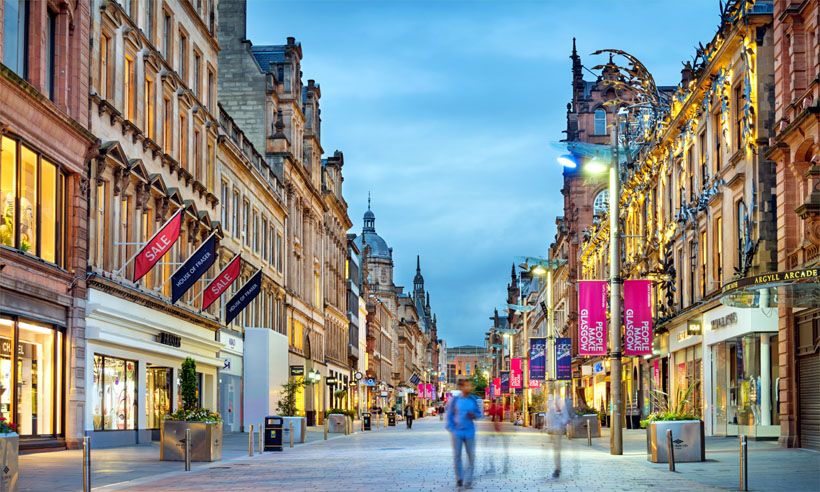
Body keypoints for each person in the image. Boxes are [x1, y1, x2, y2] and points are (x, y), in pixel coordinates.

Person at [446, 379, 483, 489]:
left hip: (470, 432)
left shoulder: (473, 399)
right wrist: (452, 428)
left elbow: (479, 414)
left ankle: (468, 480)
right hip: (457, 432)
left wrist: (474, 415)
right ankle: (460, 479)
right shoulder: (455, 400)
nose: (468, 388)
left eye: (469, 386)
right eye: (466, 386)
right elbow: (449, 416)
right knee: (457, 456)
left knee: (471, 456)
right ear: (461, 387)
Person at [546, 395, 572, 479]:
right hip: (554, 432)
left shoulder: (562, 409)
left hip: (558, 432)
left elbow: (565, 420)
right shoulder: (552, 409)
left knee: (557, 451)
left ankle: (557, 469)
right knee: (556, 451)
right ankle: (557, 468)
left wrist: (560, 423)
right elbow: (549, 419)